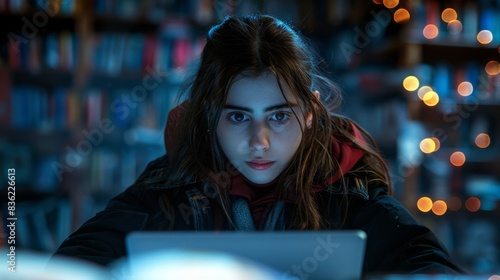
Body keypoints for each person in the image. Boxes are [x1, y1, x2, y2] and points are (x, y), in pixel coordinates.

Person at [53, 14, 464, 276]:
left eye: (279, 116)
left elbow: (429, 267)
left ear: (309, 112)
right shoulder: (168, 184)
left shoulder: (349, 186)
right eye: (237, 116)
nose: (259, 141)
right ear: (209, 117)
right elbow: (74, 262)